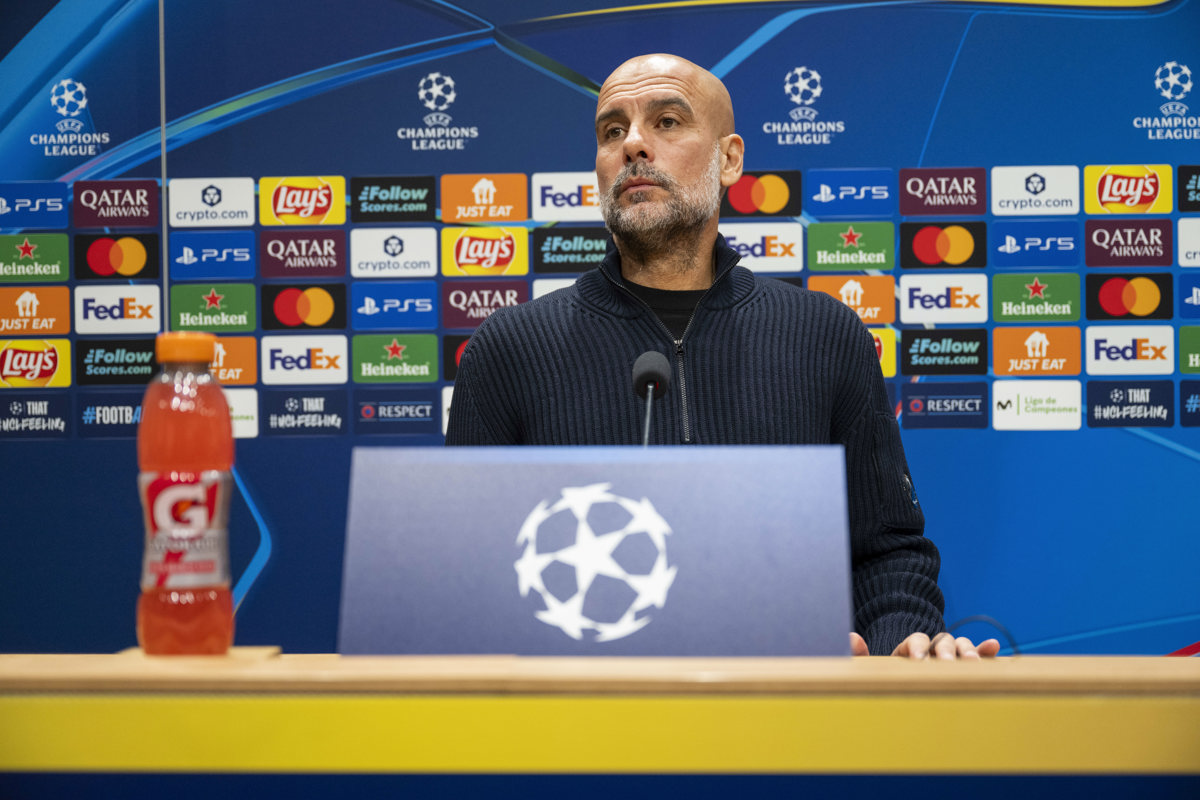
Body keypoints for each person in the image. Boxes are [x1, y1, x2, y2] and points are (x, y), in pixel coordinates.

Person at [446, 53, 1000, 660]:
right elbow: (465, 575)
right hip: (584, 728)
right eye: (612, 130)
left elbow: (885, 553)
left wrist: (903, 651)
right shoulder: (510, 348)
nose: (633, 144)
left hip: (789, 727)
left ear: (729, 158)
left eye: (666, 122)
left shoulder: (824, 334)